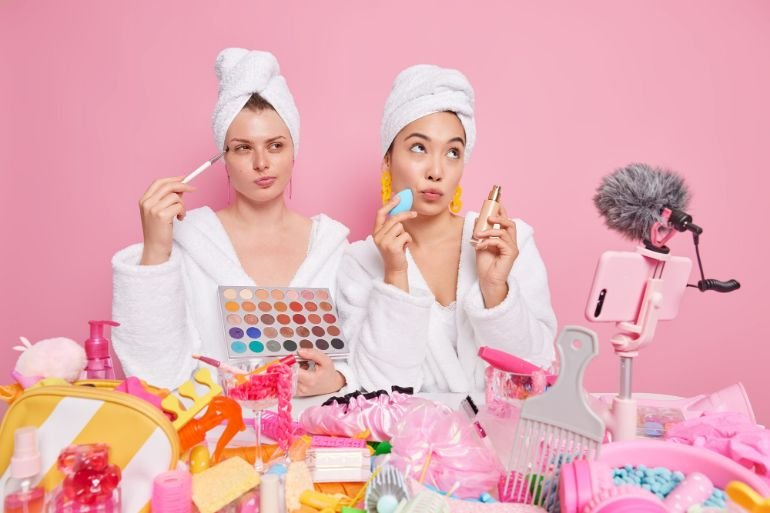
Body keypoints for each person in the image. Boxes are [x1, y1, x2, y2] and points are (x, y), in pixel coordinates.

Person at [112, 48, 355, 394]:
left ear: (293, 151)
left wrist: (339, 378)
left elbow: (369, 361)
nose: (261, 162)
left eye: (275, 145)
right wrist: (154, 252)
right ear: (222, 157)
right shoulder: (188, 242)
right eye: (243, 147)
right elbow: (154, 375)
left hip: (315, 437)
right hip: (219, 437)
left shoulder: (330, 246)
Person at [338, 64, 556, 393]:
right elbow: (378, 390)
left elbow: (535, 376)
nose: (436, 171)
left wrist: (495, 288)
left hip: (500, 438)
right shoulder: (359, 262)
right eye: (418, 148)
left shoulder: (507, 244)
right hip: (409, 442)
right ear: (388, 158)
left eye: (453, 153)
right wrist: (396, 278)